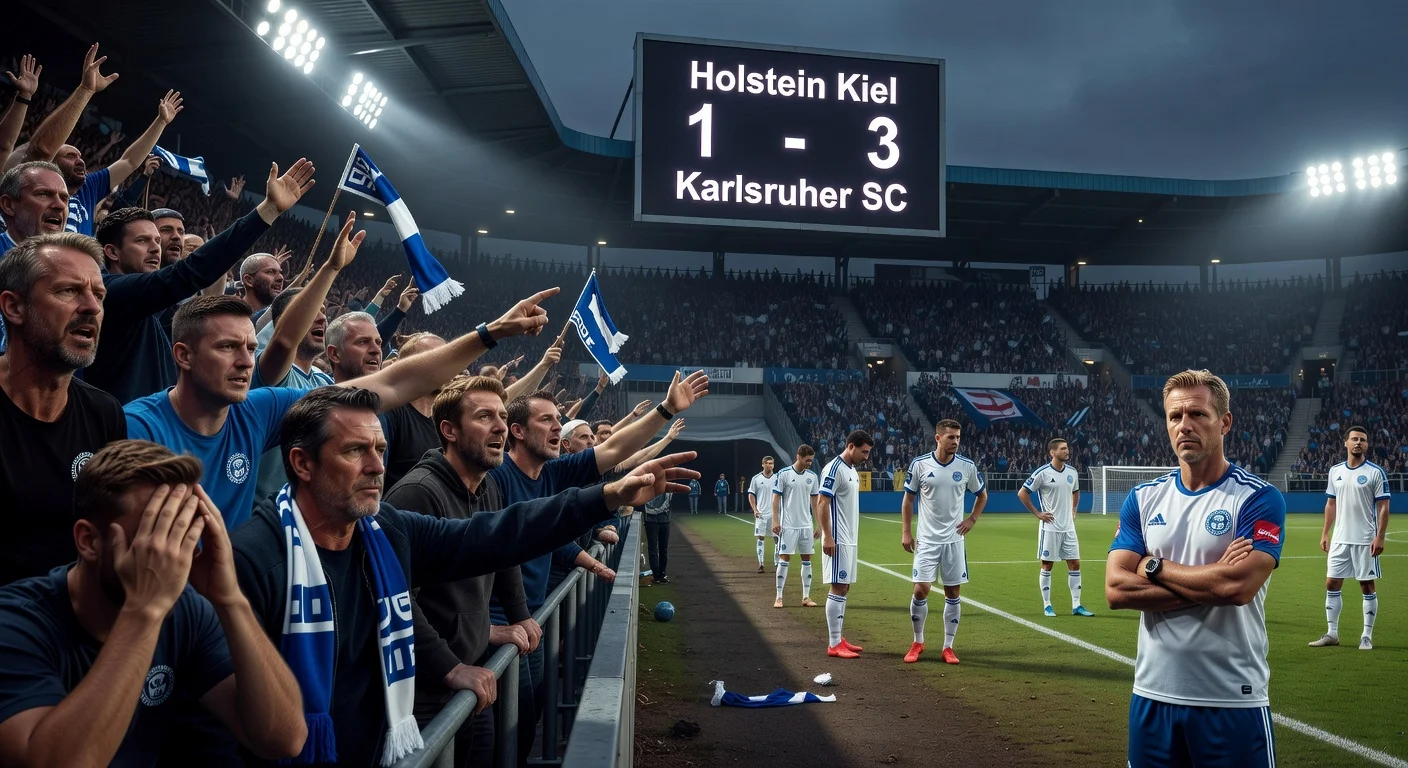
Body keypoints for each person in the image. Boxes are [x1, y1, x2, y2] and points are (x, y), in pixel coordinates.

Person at [230, 386, 697, 766]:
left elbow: (495, 537)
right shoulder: (255, 560)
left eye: (379, 448)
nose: (376, 465)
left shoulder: (383, 529)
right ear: (301, 463)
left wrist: (609, 495)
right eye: (356, 450)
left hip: (380, 743)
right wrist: (450, 666)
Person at [125, 286, 560, 530]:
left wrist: (490, 333)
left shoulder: (259, 409)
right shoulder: (138, 428)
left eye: (247, 347)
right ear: (182, 355)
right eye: (226, 347)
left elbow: (392, 382)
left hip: (229, 600)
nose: (244, 360)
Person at [0, 440, 307, 766]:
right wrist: (143, 610)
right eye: (155, 536)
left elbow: (284, 739)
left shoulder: (186, 610)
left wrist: (229, 598)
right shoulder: (15, 623)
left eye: (183, 532)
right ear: (88, 541)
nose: (173, 557)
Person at [1105, 369, 1286, 767]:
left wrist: (1151, 566)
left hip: (1231, 698)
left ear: (1224, 422)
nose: (1184, 425)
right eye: (1174, 416)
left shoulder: (1258, 498)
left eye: (1198, 415)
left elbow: (1237, 588)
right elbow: (1117, 590)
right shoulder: (1143, 498)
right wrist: (1209, 579)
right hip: (1152, 695)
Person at [383, 376, 538, 768]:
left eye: (503, 417)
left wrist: (519, 614)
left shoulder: (488, 487)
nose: (501, 427)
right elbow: (395, 600)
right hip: (425, 692)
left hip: (470, 676)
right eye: (485, 416)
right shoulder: (416, 493)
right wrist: (450, 668)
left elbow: (503, 552)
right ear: (449, 430)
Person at [86, 158, 316, 404]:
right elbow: (193, 271)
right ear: (111, 251)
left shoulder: (149, 306)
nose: (156, 249)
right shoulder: (108, 290)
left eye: (156, 241)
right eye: (143, 241)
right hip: (123, 435)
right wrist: (267, 211)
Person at [0, 233, 125, 585]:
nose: (92, 307)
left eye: (99, 294)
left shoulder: (105, 413)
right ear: (14, 307)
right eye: (68, 291)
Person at [901, 419, 987, 665]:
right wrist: (906, 531)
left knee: (953, 592)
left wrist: (972, 519)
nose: (956, 442)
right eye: (951, 437)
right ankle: (918, 641)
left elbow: (982, 495)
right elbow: (908, 500)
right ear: (938, 438)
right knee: (920, 590)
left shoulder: (967, 467)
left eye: (958, 437)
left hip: (954, 540)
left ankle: (948, 647)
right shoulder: (919, 465)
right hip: (927, 540)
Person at [1309, 425, 1390, 650]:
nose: (1358, 443)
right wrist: (1326, 532)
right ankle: (1332, 633)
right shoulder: (1335, 471)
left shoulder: (1375, 472)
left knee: (1366, 585)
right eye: (1354, 439)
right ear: (1345, 443)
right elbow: (1330, 504)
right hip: (1339, 539)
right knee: (1332, 582)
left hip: (1365, 539)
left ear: (1367, 445)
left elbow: (1384, 506)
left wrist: (1380, 537)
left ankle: (1366, 635)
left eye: (1363, 440)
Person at [1018, 437, 1094, 617]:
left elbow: (1076, 491)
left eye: (1067, 448)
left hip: (1068, 528)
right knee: (1047, 565)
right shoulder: (1042, 473)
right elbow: (1022, 493)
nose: (1067, 451)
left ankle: (1076, 605)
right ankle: (1047, 605)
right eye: (1063, 449)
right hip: (1050, 528)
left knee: (1075, 564)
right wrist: (1038, 513)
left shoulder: (1072, 472)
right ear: (1052, 452)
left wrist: (1074, 510)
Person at [817, 431, 873, 659]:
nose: (866, 457)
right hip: (837, 539)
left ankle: (839, 637)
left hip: (850, 538)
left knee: (845, 587)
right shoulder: (833, 468)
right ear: (851, 446)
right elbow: (822, 502)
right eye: (864, 451)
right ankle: (833, 644)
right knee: (838, 587)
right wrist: (828, 536)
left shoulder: (852, 470)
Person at [771, 445, 820, 609]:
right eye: (807, 460)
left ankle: (806, 597)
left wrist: (818, 524)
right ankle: (778, 597)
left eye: (811, 461)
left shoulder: (812, 477)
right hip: (788, 525)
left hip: (806, 525)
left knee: (807, 560)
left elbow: (815, 501)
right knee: (784, 559)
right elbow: (776, 499)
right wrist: (775, 521)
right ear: (798, 456)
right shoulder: (783, 474)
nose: (809, 463)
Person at [747, 456, 777, 572]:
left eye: (771, 463)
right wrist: (755, 509)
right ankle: (761, 564)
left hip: (775, 514)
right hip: (762, 514)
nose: (769, 465)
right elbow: (751, 494)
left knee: (777, 539)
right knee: (760, 538)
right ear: (763, 464)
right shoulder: (756, 479)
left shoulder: (778, 478)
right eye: (767, 463)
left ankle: (777, 563)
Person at [643, 490, 672, 585]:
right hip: (658, 520)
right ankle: (658, 575)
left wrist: (651, 511)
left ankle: (660, 574)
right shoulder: (649, 485)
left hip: (658, 520)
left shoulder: (665, 484)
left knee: (658, 548)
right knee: (656, 548)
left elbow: (668, 501)